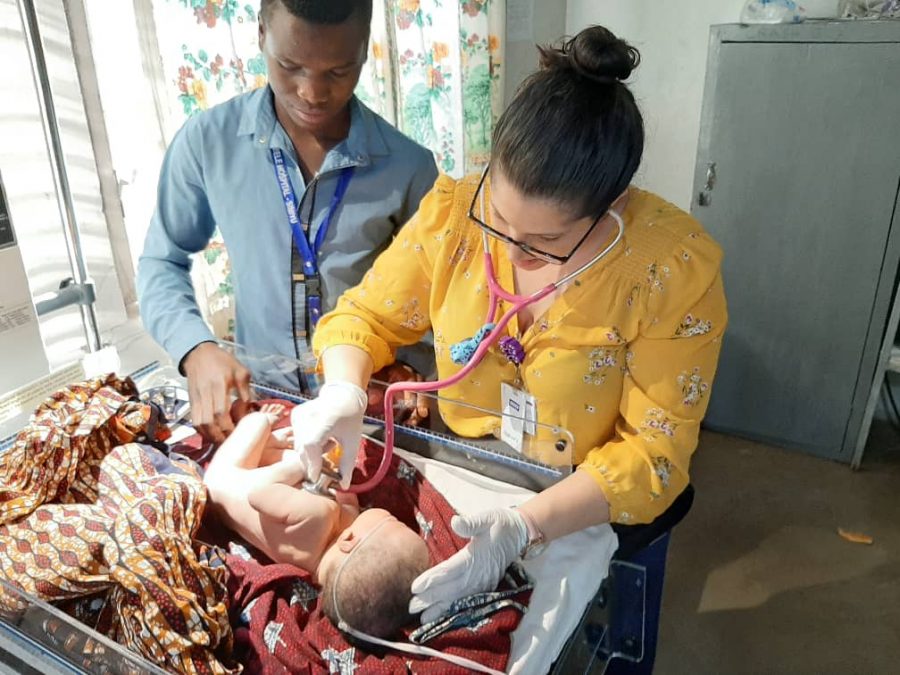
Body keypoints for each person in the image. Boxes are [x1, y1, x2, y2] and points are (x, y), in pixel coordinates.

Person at [291, 24, 728, 622]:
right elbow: (363, 316)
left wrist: (524, 527)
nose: (514, 253)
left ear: (614, 205)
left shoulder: (669, 272)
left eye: (547, 242)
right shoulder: (453, 213)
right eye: (499, 219)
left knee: (577, 628)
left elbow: (655, 454)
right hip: (467, 465)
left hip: (587, 492)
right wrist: (343, 386)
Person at [138, 0, 437, 444]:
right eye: (290, 65)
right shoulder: (207, 143)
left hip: (368, 410)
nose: (312, 93)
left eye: (338, 71)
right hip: (257, 408)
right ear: (261, 34)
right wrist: (196, 348)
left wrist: (411, 361)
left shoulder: (409, 167)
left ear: (365, 48)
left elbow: (437, 293)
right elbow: (161, 261)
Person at [203, 409, 429, 638]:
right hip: (243, 503)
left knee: (258, 422)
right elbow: (345, 500)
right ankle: (272, 447)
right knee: (303, 465)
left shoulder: (318, 516)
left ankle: (265, 431)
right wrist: (344, 496)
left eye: (391, 520)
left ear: (349, 540)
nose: (391, 515)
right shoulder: (313, 567)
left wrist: (305, 466)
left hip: (223, 482)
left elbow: (257, 495)